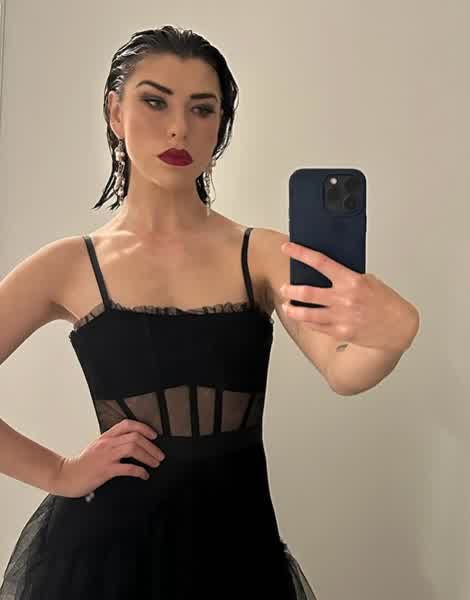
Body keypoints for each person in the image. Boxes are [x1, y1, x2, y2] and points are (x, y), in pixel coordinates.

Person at [0, 26, 318, 598]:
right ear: (115, 112)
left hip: (238, 548)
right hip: (104, 558)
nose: (178, 128)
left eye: (202, 108)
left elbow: (348, 369)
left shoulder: (259, 253)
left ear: (220, 124)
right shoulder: (70, 264)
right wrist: (59, 472)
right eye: (155, 101)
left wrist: (388, 324)